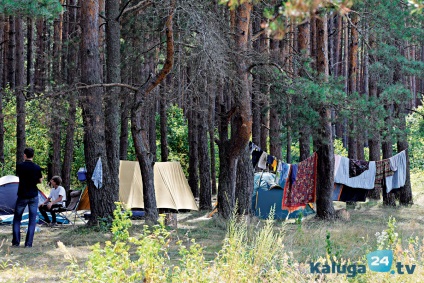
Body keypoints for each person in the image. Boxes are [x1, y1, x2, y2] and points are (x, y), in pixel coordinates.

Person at [12, 147, 43, 248]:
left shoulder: (19, 166)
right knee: (32, 220)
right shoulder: (37, 167)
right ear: (33, 156)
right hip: (33, 195)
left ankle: (16, 242)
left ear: (24, 155)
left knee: (17, 219)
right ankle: (28, 244)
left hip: (22, 195)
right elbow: (40, 180)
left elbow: (19, 176)